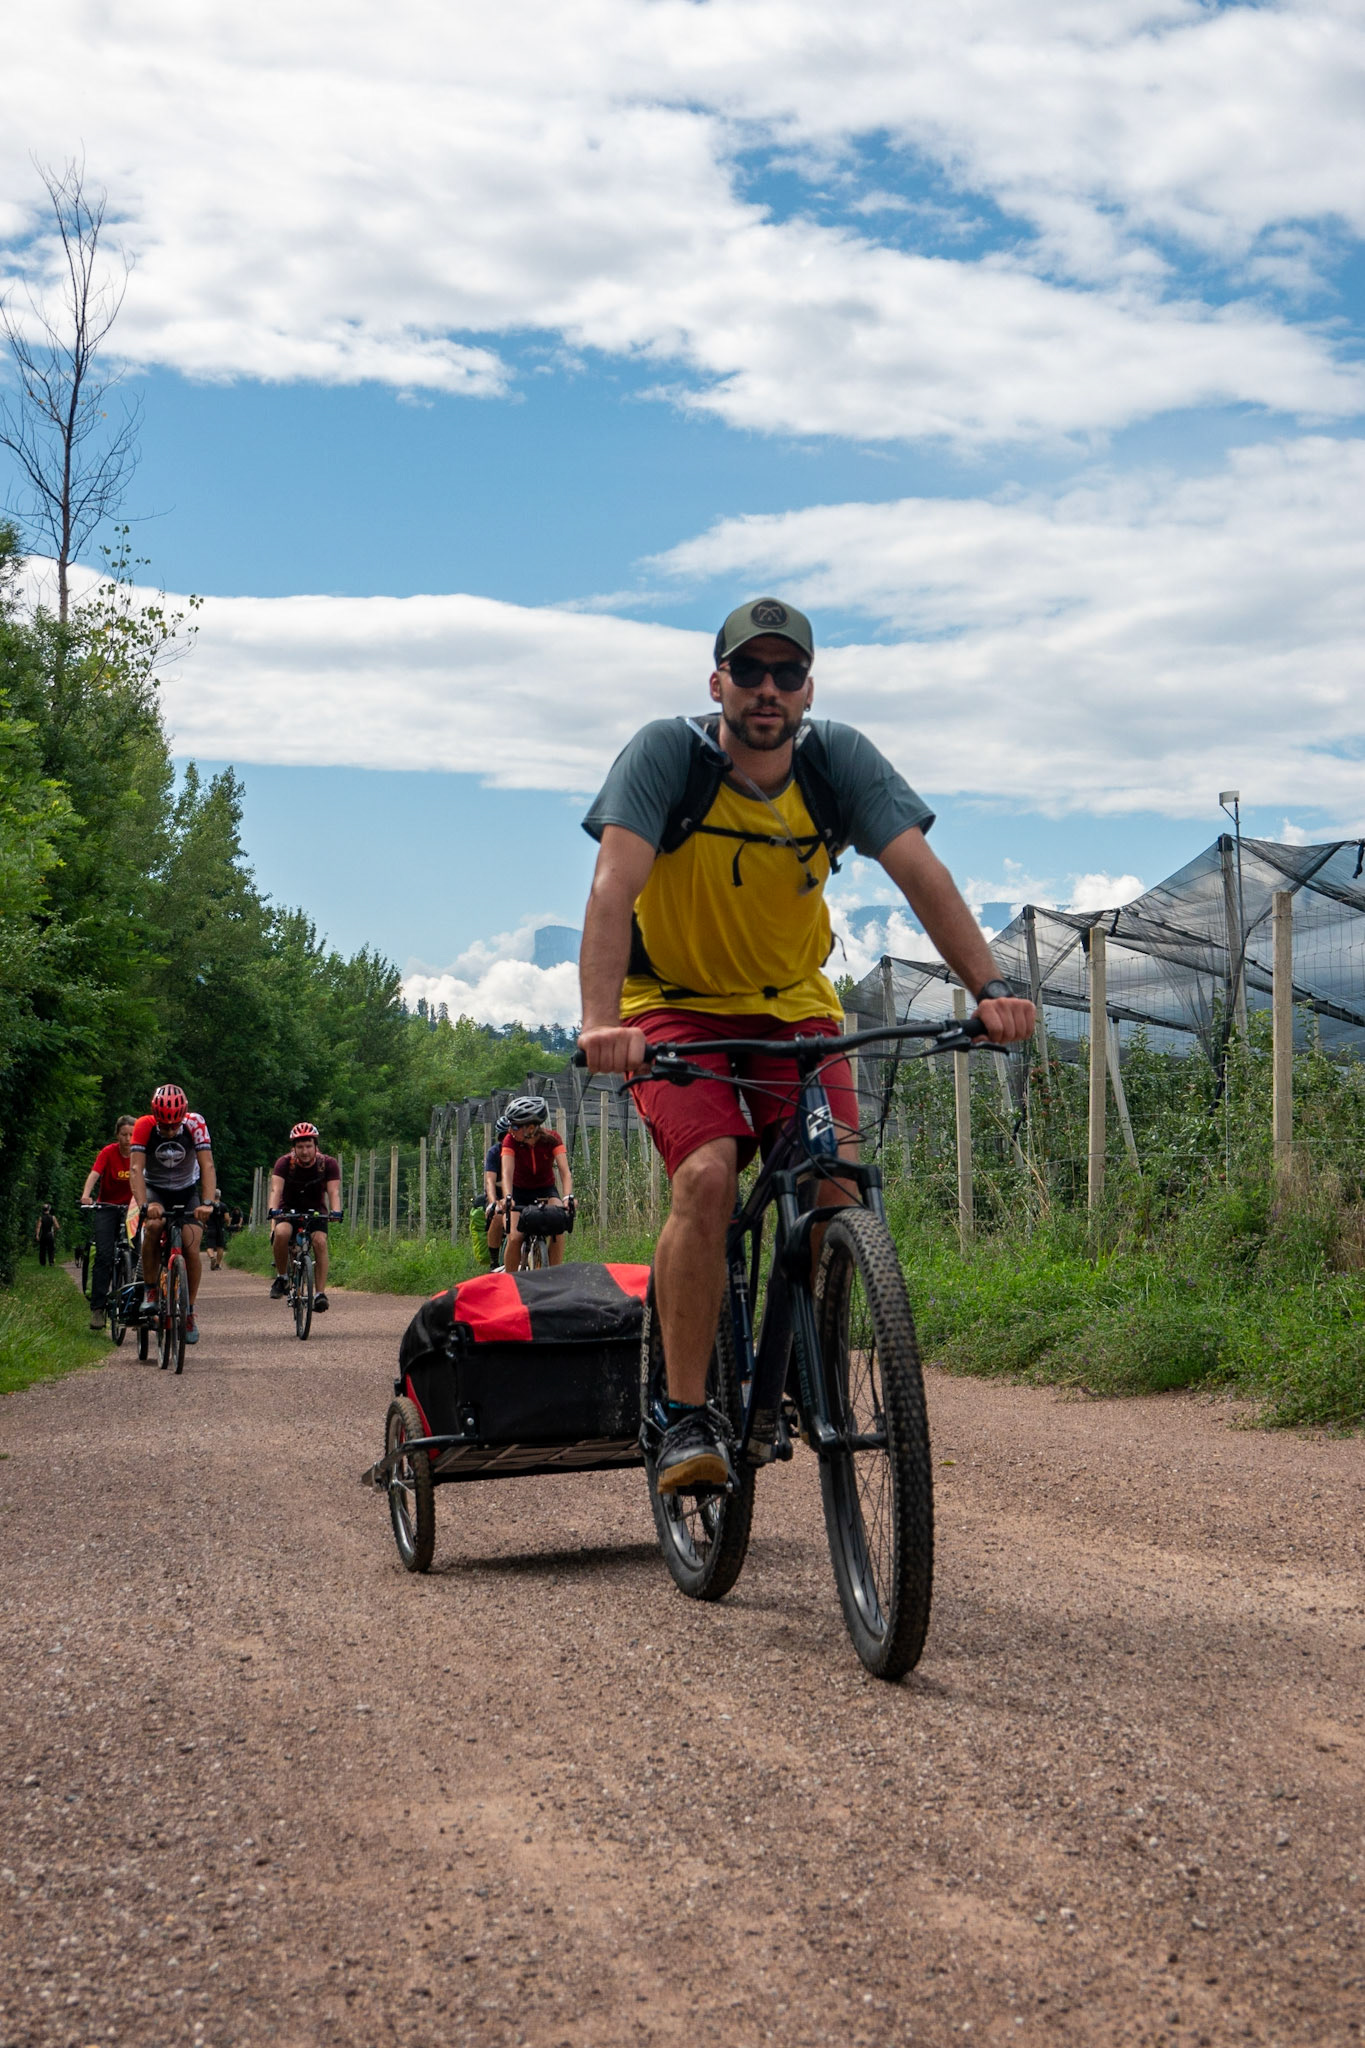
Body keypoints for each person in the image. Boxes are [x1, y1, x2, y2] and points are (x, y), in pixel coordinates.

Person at [577, 595, 1036, 1493]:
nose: (767, 689)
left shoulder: (836, 762)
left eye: (786, 674)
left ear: (806, 689)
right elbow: (611, 884)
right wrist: (603, 1023)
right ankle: (682, 1414)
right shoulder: (666, 754)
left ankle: (805, 1354)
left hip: (794, 1010)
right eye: (748, 671)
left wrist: (991, 988)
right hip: (672, 1007)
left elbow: (919, 873)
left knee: (834, 1185)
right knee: (707, 1177)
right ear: (718, 683)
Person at [128, 1085, 217, 1346]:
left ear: (184, 1115)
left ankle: (188, 1311)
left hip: (186, 1190)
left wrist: (208, 1203)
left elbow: (207, 1165)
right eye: (163, 1126)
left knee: (191, 1244)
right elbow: (135, 1168)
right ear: (155, 1116)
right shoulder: (144, 1125)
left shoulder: (195, 1123)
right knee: (154, 1227)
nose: (168, 1131)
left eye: (173, 1126)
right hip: (154, 1189)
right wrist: (144, 1205)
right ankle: (151, 1289)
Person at [267, 1124, 342, 1311]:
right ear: (294, 1148)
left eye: (308, 1146)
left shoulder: (328, 1164)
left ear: (316, 1146)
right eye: (300, 1147)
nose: (305, 1151)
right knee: (282, 1233)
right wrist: (273, 1209)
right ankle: (282, 1277)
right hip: (288, 1209)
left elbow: (334, 1192)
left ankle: (320, 1294)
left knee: (320, 1242)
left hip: (316, 1209)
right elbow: (276, 1189)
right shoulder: (284, 1163)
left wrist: (336, 1211)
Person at [498, 1096, 573, 1272]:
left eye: (515, 1126)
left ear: (530, 1128)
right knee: (515, 1237)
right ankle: (511, 1282)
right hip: (518, 1191)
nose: (510, 1130)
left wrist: (568, 1196)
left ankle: (553, 1276)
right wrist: (508, 1197)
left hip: (545, 1190)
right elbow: (506, 1173)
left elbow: (565, 1172)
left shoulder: (553, 1139)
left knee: (558, 1229)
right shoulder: (510, 1141)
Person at [80, 1114, 137, 1330]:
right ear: (117, 1135)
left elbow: (148, 1177)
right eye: (124, 1134)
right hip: (107, 1207)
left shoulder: (140, 1154)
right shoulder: (108, 1152)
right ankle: (98, 1309)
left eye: (132, 1134)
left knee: (140, 1251)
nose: (128, 1139)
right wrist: (87, 1195)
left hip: (133, 1209)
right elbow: (95, 1173)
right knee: (103, 1255)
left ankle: (138, 1303)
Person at [472, 1114, 510, 1269]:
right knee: (498, 1215)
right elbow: (490, 1181)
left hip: (519, 1192)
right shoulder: (494, 1152)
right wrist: (493, 1202)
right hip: (498, 1193)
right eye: (503, 1137)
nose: (506, 1140)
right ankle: (494, 1262)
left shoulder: (522, 1151)